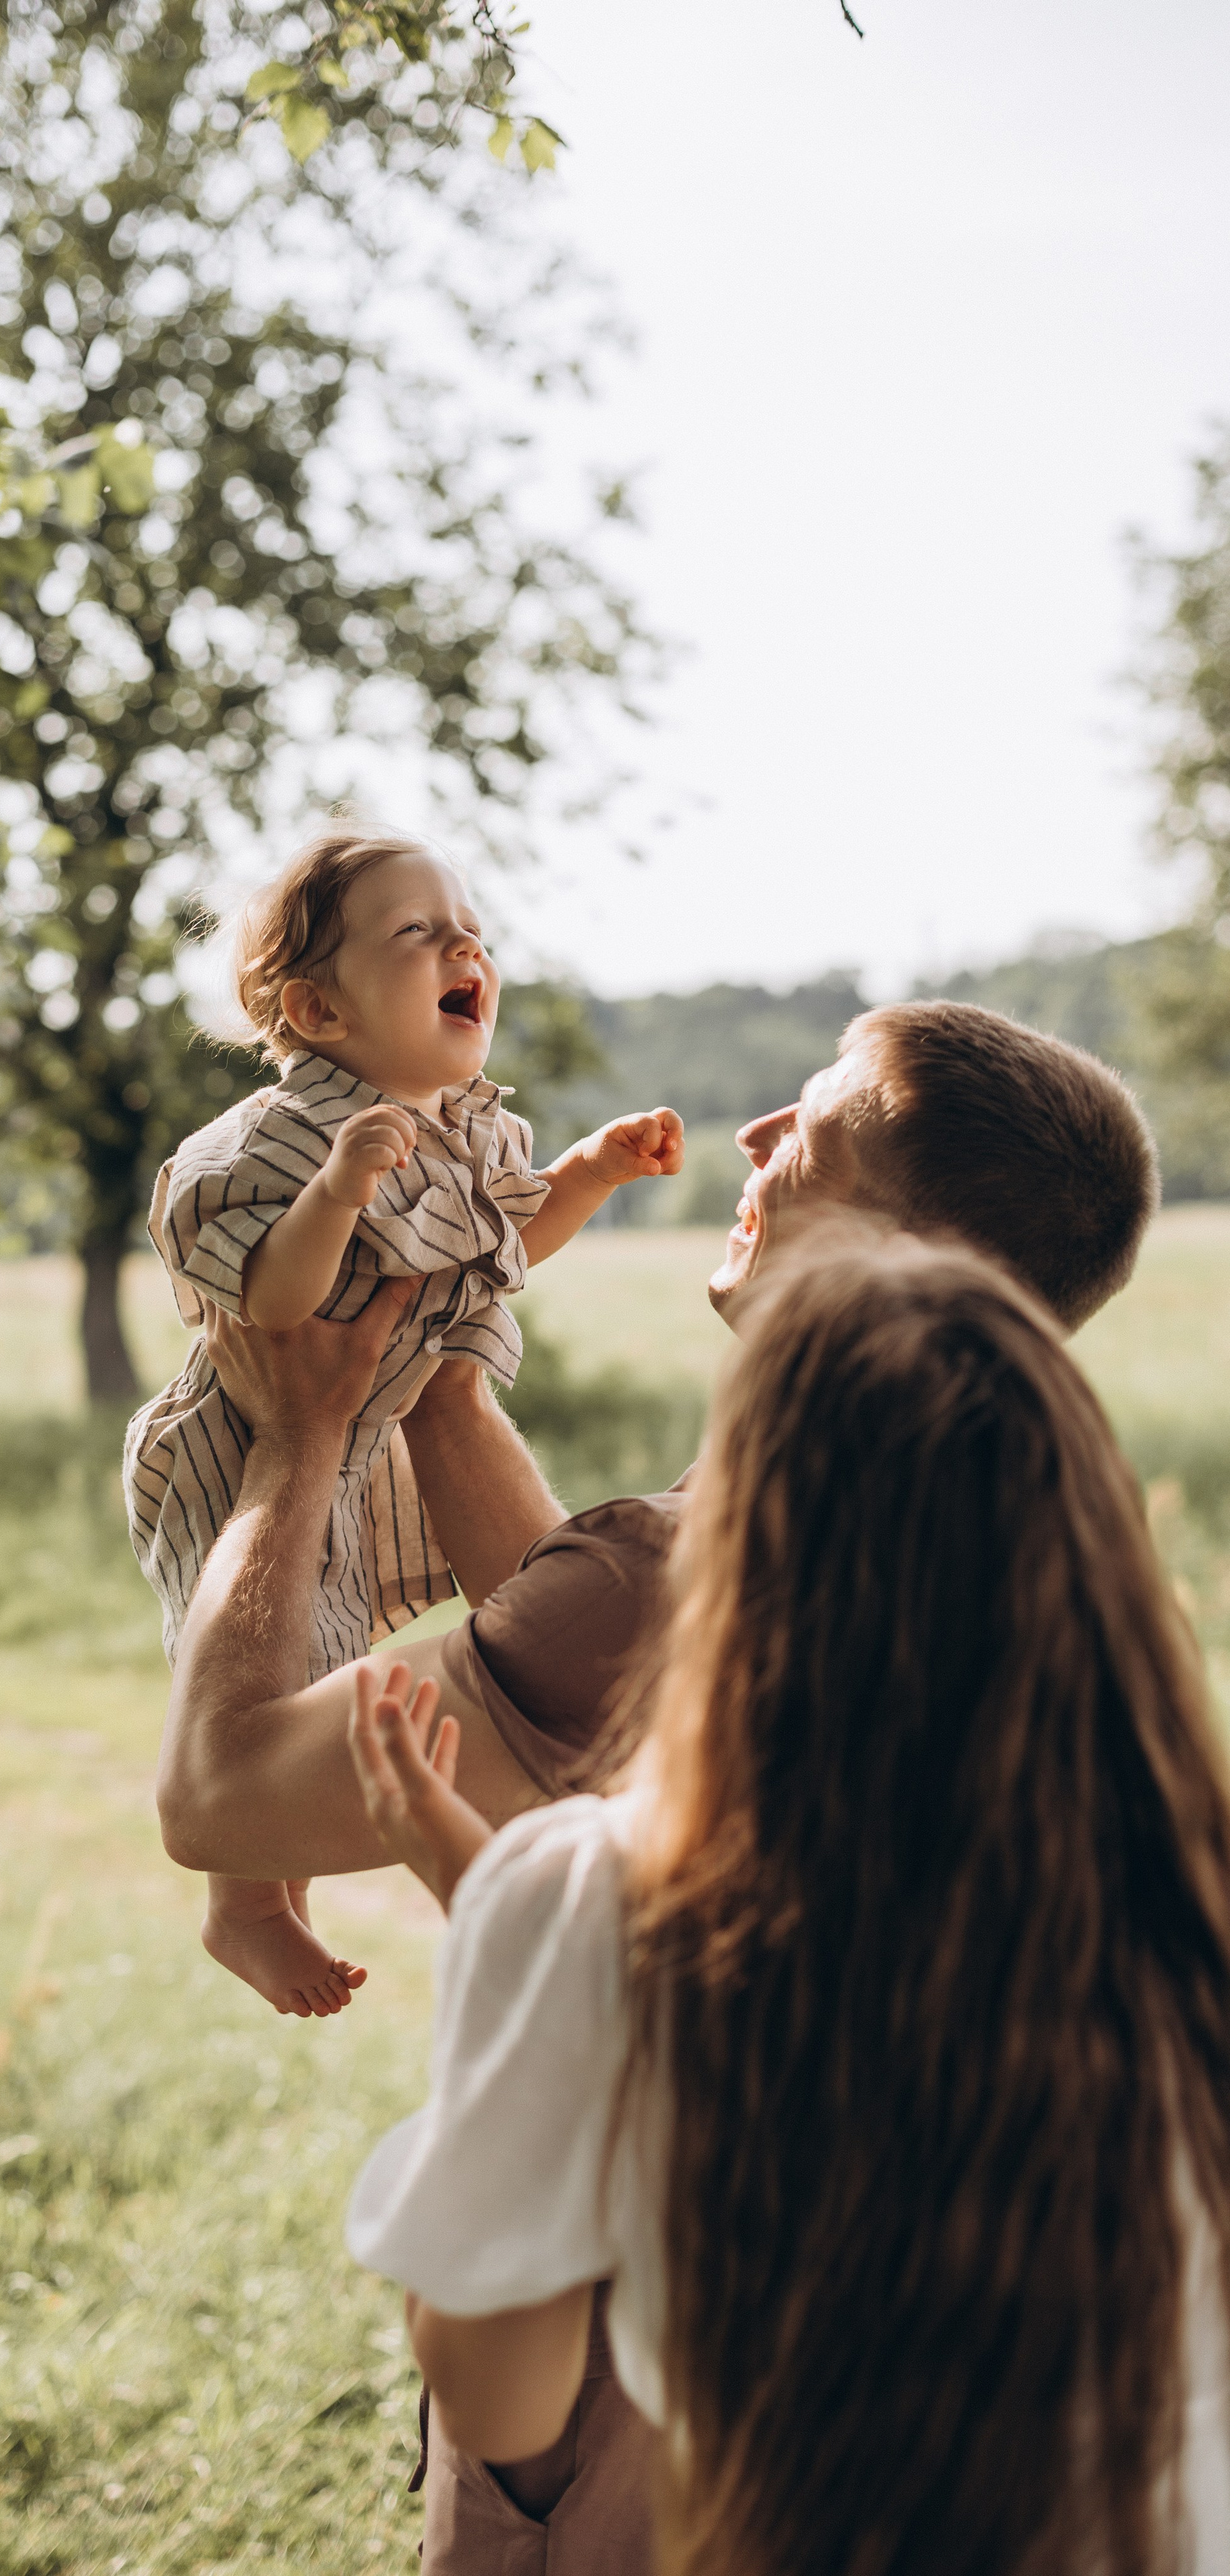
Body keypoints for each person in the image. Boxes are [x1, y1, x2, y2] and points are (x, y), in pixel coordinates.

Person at [155, 997, 1160, 2571]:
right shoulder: (1050, 1582)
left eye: (811, 1127)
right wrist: (434, 1384)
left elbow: (219, 1796)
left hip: (622, 2419)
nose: (756, 1134)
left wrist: (295, 1442)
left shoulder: (666, 1578)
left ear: (896, 1235)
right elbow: (594, 1661)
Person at [343, 1233, 1230, 2576]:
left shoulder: (591, 1892)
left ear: (742, 1553)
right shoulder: (1187, 1897)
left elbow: (502, 2402)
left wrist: (482, 2099)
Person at [123, 825, 682, 2020]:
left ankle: (281, 1892)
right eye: (418, 933)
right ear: (318, 1012)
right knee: (288, 1676)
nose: (463, 944)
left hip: (358, 1435)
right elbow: (272, 1306)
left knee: (336, 1655)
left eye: (467, 926)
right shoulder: (280, 1143)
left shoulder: (469, 1129)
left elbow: (493, 1255)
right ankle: (251, 1910)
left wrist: (585, 1174)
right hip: (237, 1451)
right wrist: (335, 1193)